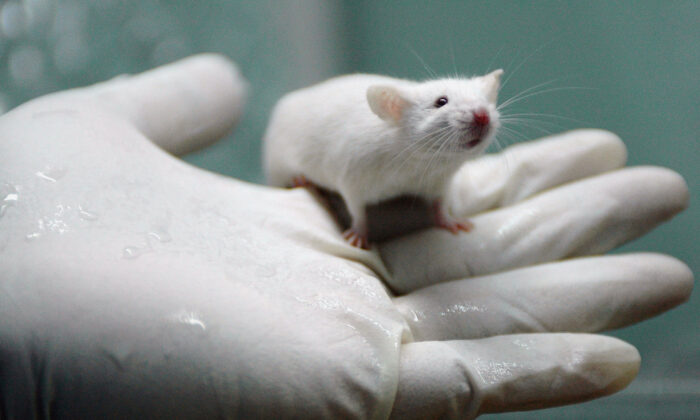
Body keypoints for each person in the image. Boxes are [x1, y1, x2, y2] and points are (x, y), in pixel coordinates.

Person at [0, 54, 692, 419]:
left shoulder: (438, 147)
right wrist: (359, 224)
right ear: (394, 110)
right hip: (306, 158)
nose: (475, 117)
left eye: (480, 104)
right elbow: (354, 177)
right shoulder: (374, 136)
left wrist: (442, 209)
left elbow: (442, 177)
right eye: (447, 105)